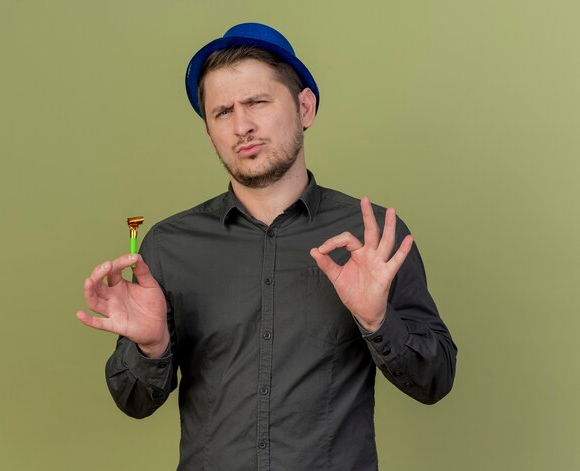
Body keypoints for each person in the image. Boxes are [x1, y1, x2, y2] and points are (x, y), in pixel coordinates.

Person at [77, 22, 457, 471]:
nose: (242, 125)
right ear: (210, 131)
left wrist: (377, 320)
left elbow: (435, 380)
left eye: (257, 102)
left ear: (305, 107)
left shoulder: (369, 238)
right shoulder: (168, 246)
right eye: (222, 112)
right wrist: (151, 349)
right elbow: (134, 402)